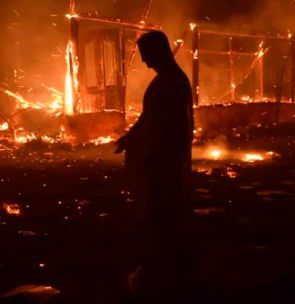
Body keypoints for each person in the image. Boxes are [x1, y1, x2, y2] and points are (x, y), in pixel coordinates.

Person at [114, 30, 195, 299]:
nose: (145, 63)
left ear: (159, 51)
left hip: (166, 166)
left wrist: (152, 153)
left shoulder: (173, 83)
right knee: (158, 220)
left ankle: (163, 278)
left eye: (146, 55)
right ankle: (163, 272)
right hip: (159, 163)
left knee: (163, 220)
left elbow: (171, 128)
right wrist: (132, 138)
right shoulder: (164, 82)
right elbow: (148, 119)